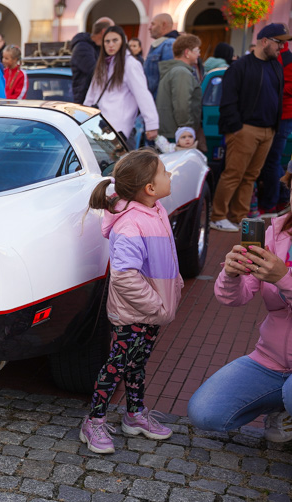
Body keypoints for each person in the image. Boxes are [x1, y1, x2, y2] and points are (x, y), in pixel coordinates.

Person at [80, 148, 183, 454]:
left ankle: (135, 414)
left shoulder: (155, 210)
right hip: (136, 313)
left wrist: (167, 295)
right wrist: (157, 305)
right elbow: (125, 277)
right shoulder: (131, 224)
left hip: (152, 310)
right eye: (164, 172)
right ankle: (94, 420)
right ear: (149, 188)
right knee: (117, 366)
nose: (169, 175)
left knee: (137, 366)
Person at [188, 215, 292, 442]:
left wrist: (284, 279)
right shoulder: (277, 233)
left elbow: (284, 282)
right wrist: (232, 274)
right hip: (271, 359)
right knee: (204, 413)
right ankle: (282, 405)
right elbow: (235, 297)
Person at [210, 23, 287, 233]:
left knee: (250, 177)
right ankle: (217, 216)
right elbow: (227, 100)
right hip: (244, 130)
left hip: (268, 130)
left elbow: (277, 97)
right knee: (233, 174)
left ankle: (239, 217)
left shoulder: (275, 66)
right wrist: (236, 128)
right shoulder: (240, 66)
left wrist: (274, 128)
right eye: (279, 43)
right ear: (265, 41)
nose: (282, 47)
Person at [84, 26, 158, 144]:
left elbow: (143, 94)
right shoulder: (102, 64)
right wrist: (83, 119)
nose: (111, 45)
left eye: (115, 40)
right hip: (98, 127)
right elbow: (91, 95)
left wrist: (152, 124)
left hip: (119, 129)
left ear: (123, 42)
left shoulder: (130, 64)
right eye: (107, 41)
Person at [256, 38, 292, 218]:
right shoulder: (274, 57)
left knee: (272, 160)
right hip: (272, 115)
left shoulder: (287, 58)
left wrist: (273, 87)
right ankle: (280, 199)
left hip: (283, 116)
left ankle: (272, 203)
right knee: (271, 160)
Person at [156, 34, 202, 143]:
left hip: (172, 131)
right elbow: (182, 105)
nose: (199, 54)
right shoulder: (181, 72)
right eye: (196, 50)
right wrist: (187, 130)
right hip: (178, 134)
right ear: (187, 53)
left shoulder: (175, 70)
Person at [70, 17, 114, 105]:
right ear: (104, 31)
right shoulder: (82, 48)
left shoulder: (98, 48)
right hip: (85, 103)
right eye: (112, 32)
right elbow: (96, 72)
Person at [144, 13, 179, 98]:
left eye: (153, 24)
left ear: (164, 24)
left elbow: (167, 78)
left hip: (158, 102)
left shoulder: (169, 44)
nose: (149, 28)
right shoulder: (160, 44)